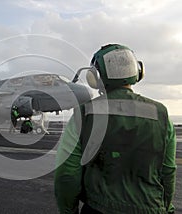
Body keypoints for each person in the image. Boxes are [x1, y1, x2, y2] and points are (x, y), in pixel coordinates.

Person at [54, 44, 176, 213]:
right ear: (138, 72)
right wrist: (166, 207)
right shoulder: (161, 114)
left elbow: (66, 173)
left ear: (95, 77)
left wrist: (68, 211)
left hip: (99, 209)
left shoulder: (84, 113)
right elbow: (168, 172)